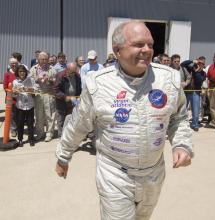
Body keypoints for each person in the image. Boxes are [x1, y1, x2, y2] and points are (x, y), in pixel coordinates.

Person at [55, 21, 193, 220]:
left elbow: (178, 117)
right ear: (117, 50)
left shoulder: (168, 79)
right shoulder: (99, 84)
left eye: (150, 45)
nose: (147, 50)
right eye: (139, 45)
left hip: (153, 175)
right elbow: (78, 124)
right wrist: (63, 156)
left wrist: (181, 144)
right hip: (115, 176)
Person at [29, 51, 57, 142]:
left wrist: (50, 79)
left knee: (50, 115)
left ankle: (49, 133)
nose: (44, 61)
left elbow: (57, 82)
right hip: (38, 94)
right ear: (38, 59)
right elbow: (29, 81)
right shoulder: (33, 68)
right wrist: (35, 79)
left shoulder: (52, 69)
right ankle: (40, 133)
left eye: (46, 59)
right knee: (39, 115)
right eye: (42, 59)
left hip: (49, 94)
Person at [54, 63, 81, 138]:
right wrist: (65, 97)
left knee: (72, 118)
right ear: (67, 69)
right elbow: (56, 90)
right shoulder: (60, 75)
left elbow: (79, 88)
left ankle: (69, 135)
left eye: (75, 71)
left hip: (73, 101)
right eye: (72, 72)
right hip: (62, 101)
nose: (73, 73)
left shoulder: (77, 75)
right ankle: (61, 136)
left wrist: (79, 97)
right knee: (61, 119)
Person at [12, 65, 36, 147]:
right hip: (20, 106)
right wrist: (15, 92)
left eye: (23, 71)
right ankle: (20, 140)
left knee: (30, 123)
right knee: (20, 123)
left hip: (30, 105)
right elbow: (13, 95)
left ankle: (31, 139)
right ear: (17, 73)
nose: (22, 73)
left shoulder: (31, 80)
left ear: (26, 72)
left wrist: (30, 90)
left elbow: (36, 90)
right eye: (20, 71)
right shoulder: (15, 82)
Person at [181, 57, 206, 131]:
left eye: (202, 63)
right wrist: (192, 61)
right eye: (199, 62)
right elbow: (182, 64)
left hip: (196, 92)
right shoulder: (190, 68)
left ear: (204, 65)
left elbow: (199, 81)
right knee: (183, 109)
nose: (200, 64)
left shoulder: (203, 73)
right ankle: (181, 123)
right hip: (186, 91)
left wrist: (197, 71)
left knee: (196, 109)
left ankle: (195, 124)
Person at [3, 57, 19, 137]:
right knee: (12, 115)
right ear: (9, 64)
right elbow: (5, 86)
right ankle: (13, 130)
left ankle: (19, 129)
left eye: (15, 63)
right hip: (11, 99)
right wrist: (12, 93)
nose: (14, 64)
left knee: (19, 115)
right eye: (12, 63)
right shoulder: (7, 74)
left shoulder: (20, 72)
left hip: (20, 98)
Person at [207, 51, 215, 133]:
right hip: (211, 88)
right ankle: (214, 123)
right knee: (212, 107)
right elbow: (207, 77)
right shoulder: (211, 66)